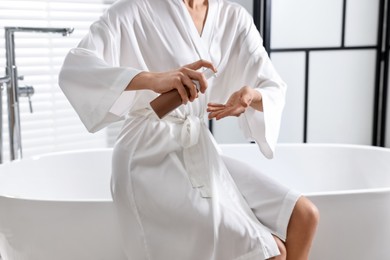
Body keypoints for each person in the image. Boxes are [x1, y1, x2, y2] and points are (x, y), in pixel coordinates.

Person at [59, 0, 319, 259]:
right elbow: (77, 67)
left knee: (304, 217)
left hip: (197, 145)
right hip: (147, 153)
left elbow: (272, 85)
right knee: (270, 252)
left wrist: (252, 95)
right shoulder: (137, 9)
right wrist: (153, 78)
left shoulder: (233, 17)